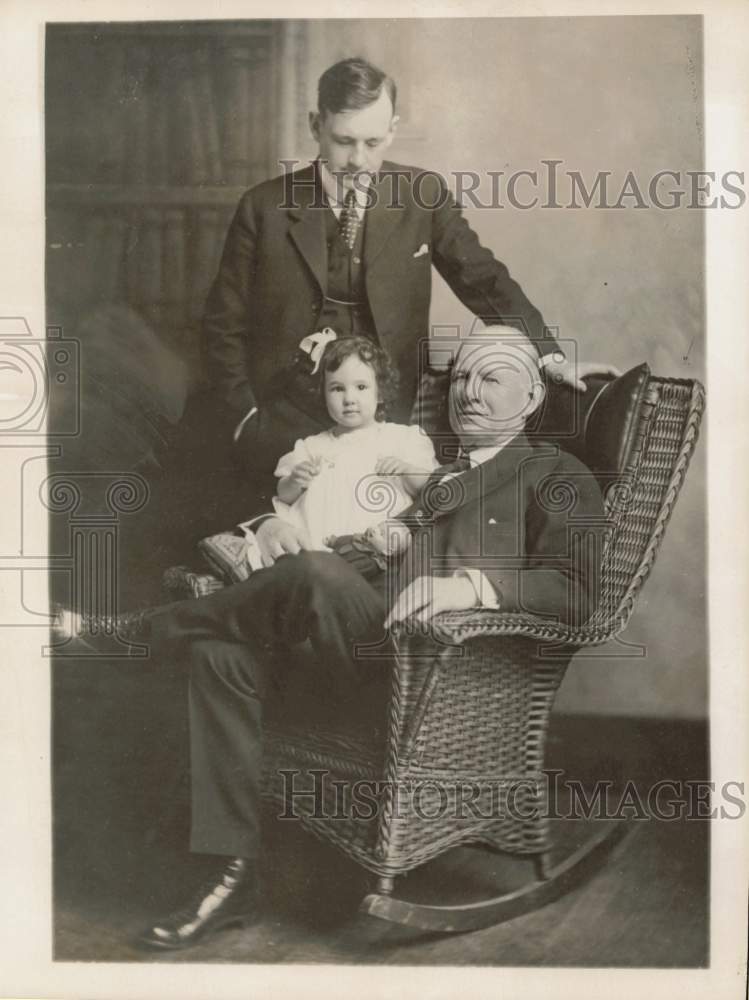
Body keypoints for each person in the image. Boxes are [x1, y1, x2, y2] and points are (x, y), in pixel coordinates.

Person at [127, 327, 606, 949]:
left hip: (437, 683)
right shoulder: (432, 479)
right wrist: (270, 524)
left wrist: (471, 588)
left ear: (534, 394)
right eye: (461, 377)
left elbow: (580, 591)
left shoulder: (555, 473)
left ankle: (137, 634)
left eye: (490, 377)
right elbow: (352, 553)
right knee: (221, 655)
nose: (468, 392)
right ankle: (231, 872)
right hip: (357, 649)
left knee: (313, 573)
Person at [198, 56, 618, 516]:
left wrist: (549, 354)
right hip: (281, 421)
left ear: (393, 130)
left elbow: (484, 280)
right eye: (343, 141)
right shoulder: (263, 207)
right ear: (316, 125)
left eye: (373, 142)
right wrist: (246, 419)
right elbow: (223, 326)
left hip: (384, 423)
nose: (358, 160)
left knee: (374, 535)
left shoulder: (423, 196)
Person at [272, 335, 438, 551]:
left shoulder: (402, 439)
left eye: (361, 387)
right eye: (337, 388)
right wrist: (295, 481)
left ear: (380, 392)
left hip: (375, 543)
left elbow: (430, 489)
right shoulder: (312, 446)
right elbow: (284, 496)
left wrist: (406, 470)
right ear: (323, 394)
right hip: (316, 544)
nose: (349, 398)